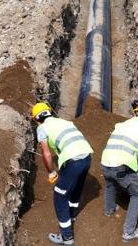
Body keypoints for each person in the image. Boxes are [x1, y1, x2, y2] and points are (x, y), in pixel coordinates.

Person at [100, 99, 138, 243]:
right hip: (122, 165)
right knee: (136, 194)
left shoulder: (122, 124)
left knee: (110, 185)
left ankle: (109, 210)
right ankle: (128, 232)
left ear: (134, 113)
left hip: (105, 161)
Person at [32, 102, 94, 245]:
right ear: (49, 112)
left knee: (60, 196)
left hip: (73, 161)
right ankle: (71, 216)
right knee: (76, 188)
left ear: (36, 119)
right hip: (86, 157)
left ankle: (66, 237)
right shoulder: (64, 122)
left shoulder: (42, 127)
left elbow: (46, 154)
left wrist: (51, 172)